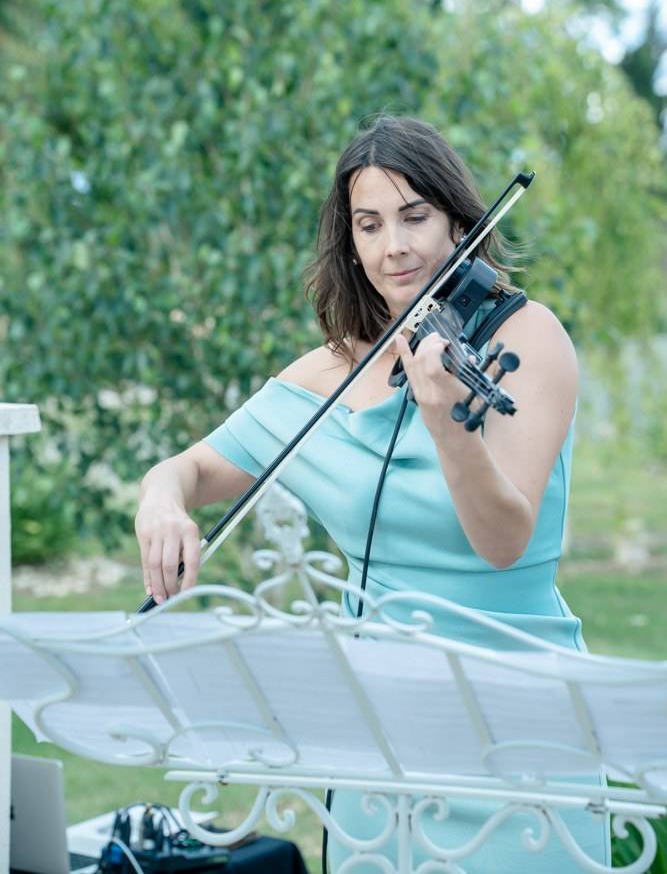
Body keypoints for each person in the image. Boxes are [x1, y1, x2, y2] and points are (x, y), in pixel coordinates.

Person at [135, 115, 609, 871]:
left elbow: (503, 541)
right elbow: (185, 470)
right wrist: (161, 502)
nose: (396, 246)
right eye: (370, 223)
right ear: (349, 243)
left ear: (458, 219)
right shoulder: (328, 375)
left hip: (522, 743)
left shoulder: (527, 340)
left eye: (415, 216)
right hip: (380, 755)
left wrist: (447, 423)